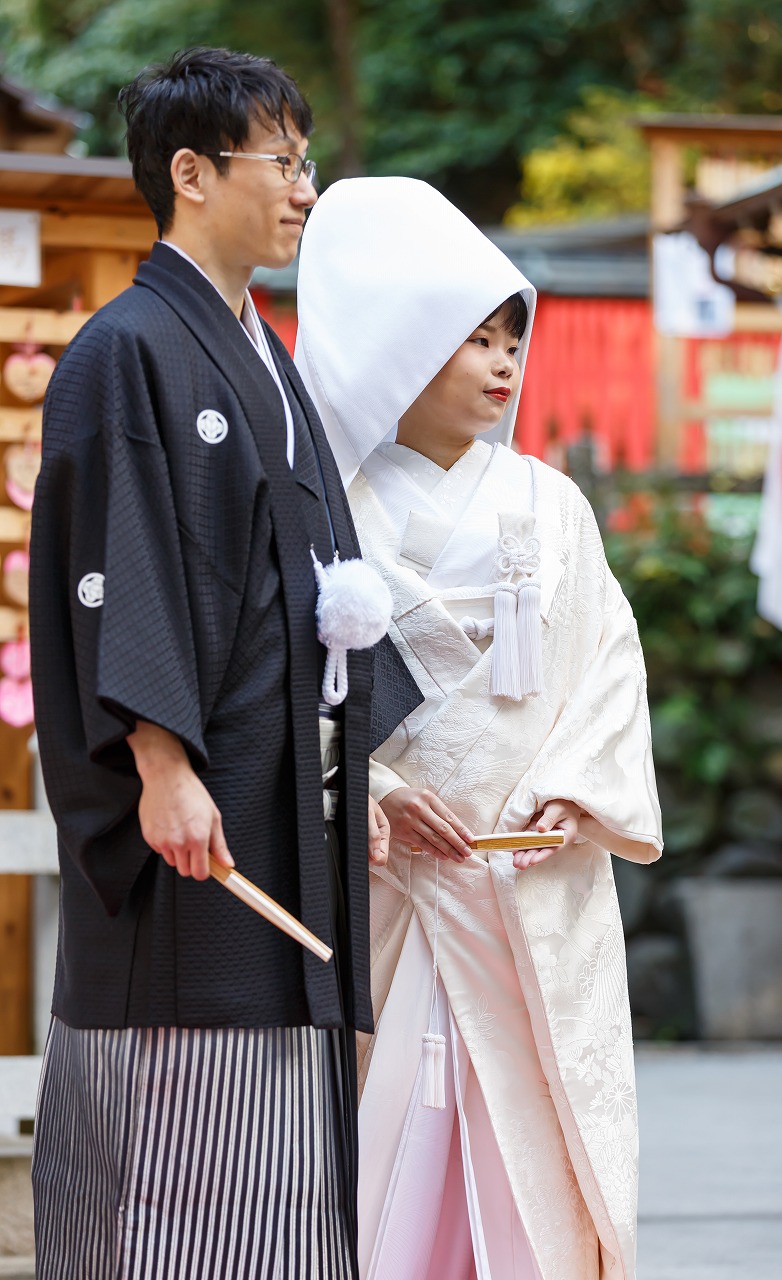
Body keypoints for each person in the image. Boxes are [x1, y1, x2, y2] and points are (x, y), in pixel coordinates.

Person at [28, 50, 419, 1280]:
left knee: (287, 1157)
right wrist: (157, 760)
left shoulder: (261, 354)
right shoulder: (126, 348)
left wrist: (348, 769)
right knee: (180, 1146)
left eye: (307, 162)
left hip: (276, 794)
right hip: (198, 802)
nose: (306, 189)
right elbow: (119, 564)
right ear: (191, 174)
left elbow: (316, 585)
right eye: (283, 162)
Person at [295, 177, 663, 1280]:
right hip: (389, 875)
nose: (504, 364)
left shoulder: (553, 504)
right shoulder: (328, 507)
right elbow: (281, 685)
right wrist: (362, 790)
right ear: (402, 346)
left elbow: (607, 658)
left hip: (529, 872)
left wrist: (578, 789)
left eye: (512, 340)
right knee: (384, 1129)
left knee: (530, 1137)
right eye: (475, 340)